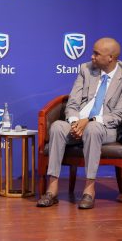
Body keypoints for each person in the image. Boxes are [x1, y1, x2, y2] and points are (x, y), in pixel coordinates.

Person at [37, 37, 122, 209]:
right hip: (79, 123)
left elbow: (118, 114)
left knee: (92, 129)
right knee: (58, 127)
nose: (92, 57)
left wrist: (89, 121)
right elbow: (73, 103)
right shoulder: (86, 69)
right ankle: (52, 189)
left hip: (105, 127)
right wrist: (75, 122)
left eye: (97, 54)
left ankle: (89, 189)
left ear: (111, 58)